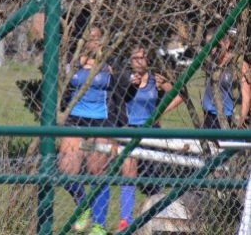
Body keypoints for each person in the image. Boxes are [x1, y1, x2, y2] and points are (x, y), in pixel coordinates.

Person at [58, 27, 118, 235]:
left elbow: (120, 95)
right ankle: (83, 206)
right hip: (75, 119)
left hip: (100, 121)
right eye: (89, 38)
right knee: (66, 169)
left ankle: (99, 225)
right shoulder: (73, 61)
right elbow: (62, 86)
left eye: (97, 39)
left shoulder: (109, 65)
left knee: (97, 172)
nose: (93, 42)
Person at [117, 44, 183, 232]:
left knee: (152, 180)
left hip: (152, 132)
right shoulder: (125, 79)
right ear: (130, 61)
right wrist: (128, 85)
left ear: (148, 59)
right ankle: (125, 221)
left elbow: (178, 95)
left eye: (142, 57)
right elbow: (115, 97)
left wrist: (159, 112)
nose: (138, 62)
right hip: (131, 131)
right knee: (128, 174)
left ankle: (157, 218)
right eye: (134, 58)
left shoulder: (156, 79)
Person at [201, 28, 250, 129]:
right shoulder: (209, 63)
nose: (212, 49)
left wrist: (237, 124)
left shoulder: (239, 65)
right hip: (208, 118)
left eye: (216, 45)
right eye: (208, 45)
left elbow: (247, 97)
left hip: (228, 119)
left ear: (227, 44)